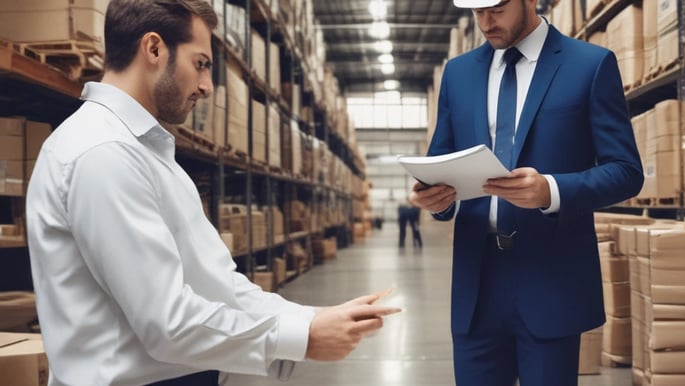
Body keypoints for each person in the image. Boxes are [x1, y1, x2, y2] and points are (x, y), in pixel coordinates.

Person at [25, 1, 398, 385]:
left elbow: (220, 283)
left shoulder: (148, 153)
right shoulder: (104, 153)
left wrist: (312, 319)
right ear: (153, 49)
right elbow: (166, 322)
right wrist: (302, 339)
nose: (207, 85)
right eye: (201, 63)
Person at [408, 0, 643, 385]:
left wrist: (550, 190)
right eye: (476, 12)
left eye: (496, 9)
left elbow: (626, 172)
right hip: (477, 282)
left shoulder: (590, 64)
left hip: (551, 276)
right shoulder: (459, 73)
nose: (485, 22)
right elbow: (440, 163)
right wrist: (434, 200)